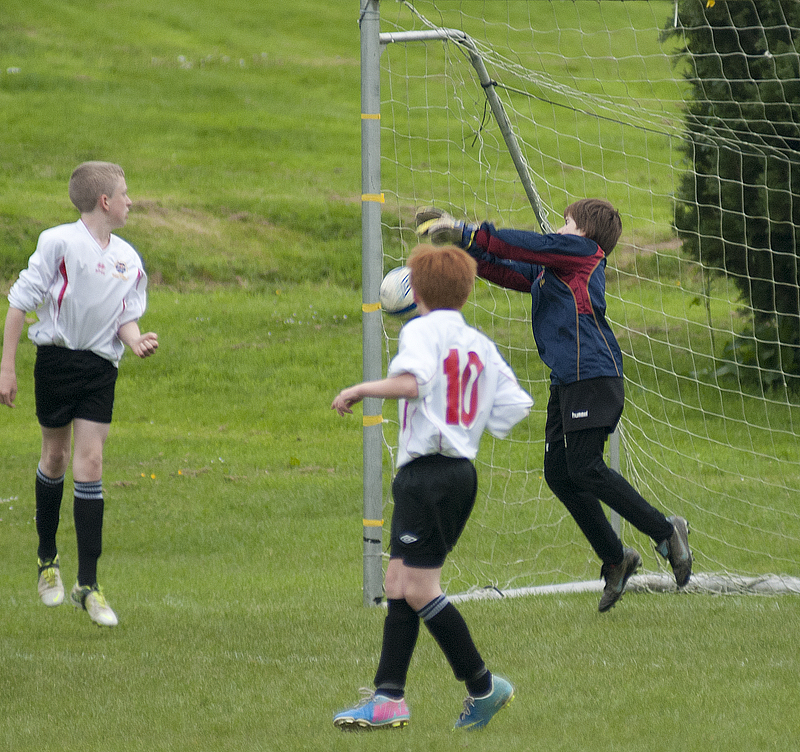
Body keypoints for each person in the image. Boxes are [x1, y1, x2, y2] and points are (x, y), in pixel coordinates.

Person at [416, 200, 692, 612]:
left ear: (586, 232)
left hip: (592, 375)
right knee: (560, 474)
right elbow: (503, 267)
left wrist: (467, 230)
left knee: (585, 467)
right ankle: (616, 558)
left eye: (567, 222)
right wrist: (460, 247)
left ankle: (666, 531)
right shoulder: (550, 270)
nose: (559, 229)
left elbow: (531, 245)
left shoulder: (583, 253)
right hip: (567, 381)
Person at [331, 243, 533, 731]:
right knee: (397, 584)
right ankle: (388, 697)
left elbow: (414, 383)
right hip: (457, 472)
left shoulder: (420, 330)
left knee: (420, 589)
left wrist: (361, 389)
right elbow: (514, 406)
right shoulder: (479, 343)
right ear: (465, 291)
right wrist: (465, 419)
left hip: (429, 474)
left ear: (415, 291)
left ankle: (483, 685)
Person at [0, 161, 158, 627]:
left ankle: (88, 584)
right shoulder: (59, 242)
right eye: (125, 194)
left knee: (91, 463)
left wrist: (136, 341)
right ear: (105, 201)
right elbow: (18, 304)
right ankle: (47, 559)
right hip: (56, 361)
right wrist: (6, 368)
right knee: (56, 457)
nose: (131, 201)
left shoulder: (128, 257)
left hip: (100, 368)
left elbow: (124, 316)